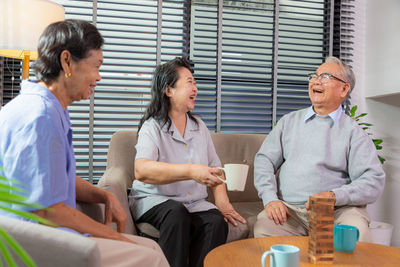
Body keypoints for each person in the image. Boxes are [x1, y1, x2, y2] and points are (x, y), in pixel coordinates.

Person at [0, 19, 169, 267]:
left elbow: (51, 178)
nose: (98, 77)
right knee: (149, 258)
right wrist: (113, 235)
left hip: (48, 234)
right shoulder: (39, 117)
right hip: (32, 244)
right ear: (67, 61)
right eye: (96, 66)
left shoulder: (49, 107)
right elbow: (48, 210)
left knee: (151, 246)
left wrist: (104, 195)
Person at [253, 56, 385, 242]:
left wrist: (334, 196)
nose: (316, 81)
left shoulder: (354, 133)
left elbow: (373, 181)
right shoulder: (288, 122)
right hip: (291, 213)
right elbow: (264, 160)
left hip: (336, 213)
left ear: (344, 89)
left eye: (325, 76)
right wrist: (270, 198)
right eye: (314, 76)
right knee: (264, 229)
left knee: (357, 232)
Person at [130, 57, 246, 267]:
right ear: (168, 90)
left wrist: (223, 202)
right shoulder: (152, 127)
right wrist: (191, 171)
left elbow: (215, 167)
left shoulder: (199, 126)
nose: (196, 88)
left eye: (195, 82)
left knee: (216, 221)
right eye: (189, 82)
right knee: (176, 214)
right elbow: (141, 170)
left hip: (193, 203)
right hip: (154, 199)